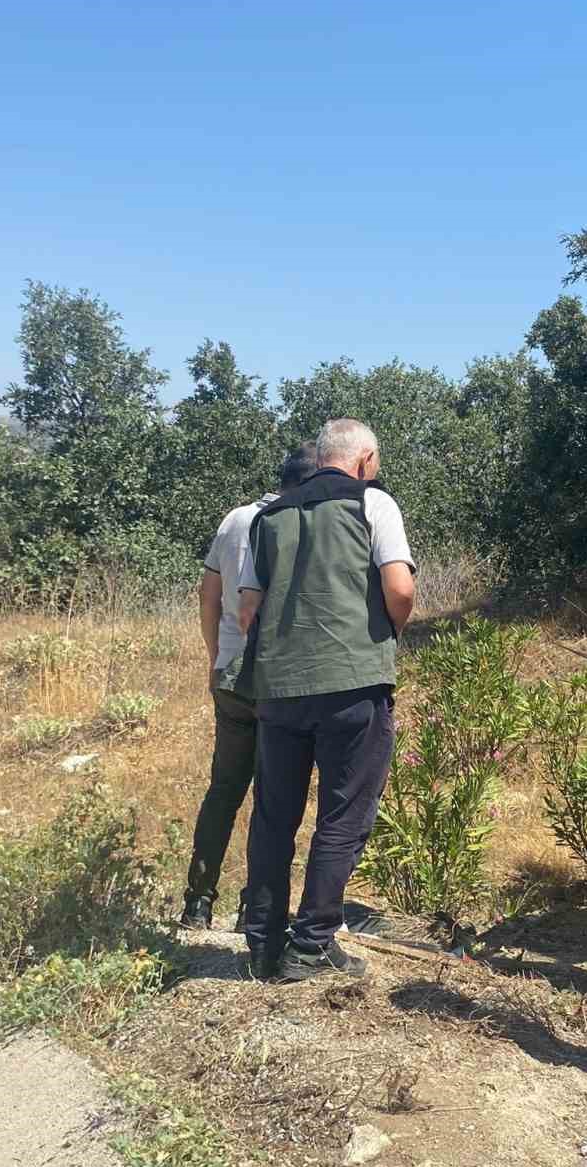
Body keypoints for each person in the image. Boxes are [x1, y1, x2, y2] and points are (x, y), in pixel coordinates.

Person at [235, 418, 415, 982]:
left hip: (279, 689)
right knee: (343, 814)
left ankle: (262, 944)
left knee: (273, 817)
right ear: (363, 460)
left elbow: (246, 609)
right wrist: (385, 634)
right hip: (353, 684)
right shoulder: (374, 505)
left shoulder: (270, 516)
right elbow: (401, 588)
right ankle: (311, 945)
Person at [180, 441, 318, 931]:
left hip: (231, 673)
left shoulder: (236, 518)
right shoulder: (299, 522)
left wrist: (216, 657)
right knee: (272, 797)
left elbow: (209, 596)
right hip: (279, 679)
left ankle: (197, 901)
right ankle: (252, 908)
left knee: (224, 789)